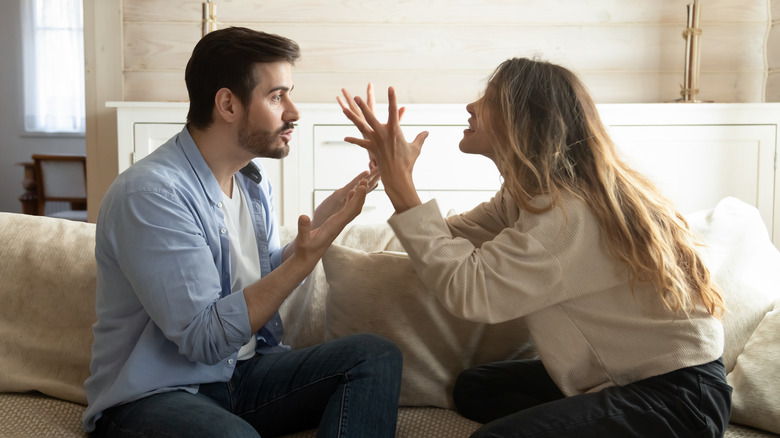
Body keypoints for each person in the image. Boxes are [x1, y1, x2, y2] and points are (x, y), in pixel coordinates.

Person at [338, 58, 732, 438]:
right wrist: (393, 180)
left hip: (678, 397)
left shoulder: (569, 215)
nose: (470, 107)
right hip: (626, 377)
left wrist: (401, 184)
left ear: (523, 119)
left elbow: (473, 292)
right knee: (476, 389)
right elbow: (445, 240)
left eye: (488, 99)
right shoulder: (528, 195)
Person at [83, 27, 402, 438]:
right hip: (155, 394)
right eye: (277, 96)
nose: (294, 111)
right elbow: (204, 340)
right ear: (228, 104)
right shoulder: (150, 195)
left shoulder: (251, 180)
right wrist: (305, 259)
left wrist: (337, 211)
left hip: (241, 374)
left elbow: (267, 276)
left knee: (373, 357)